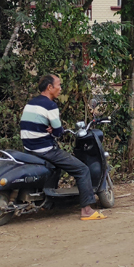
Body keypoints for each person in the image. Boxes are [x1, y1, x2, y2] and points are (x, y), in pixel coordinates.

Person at [20, 74, 106, 221]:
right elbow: (59, 132)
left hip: (29, 149)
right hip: (45, 149)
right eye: (58, 85)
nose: (60, 89)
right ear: (50, 87)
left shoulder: (31, 103)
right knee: (82, 169)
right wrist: (55, 131)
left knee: (56, 167)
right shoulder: (50, 105)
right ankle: (86, 210)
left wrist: (49, 129)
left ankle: (49, 204)